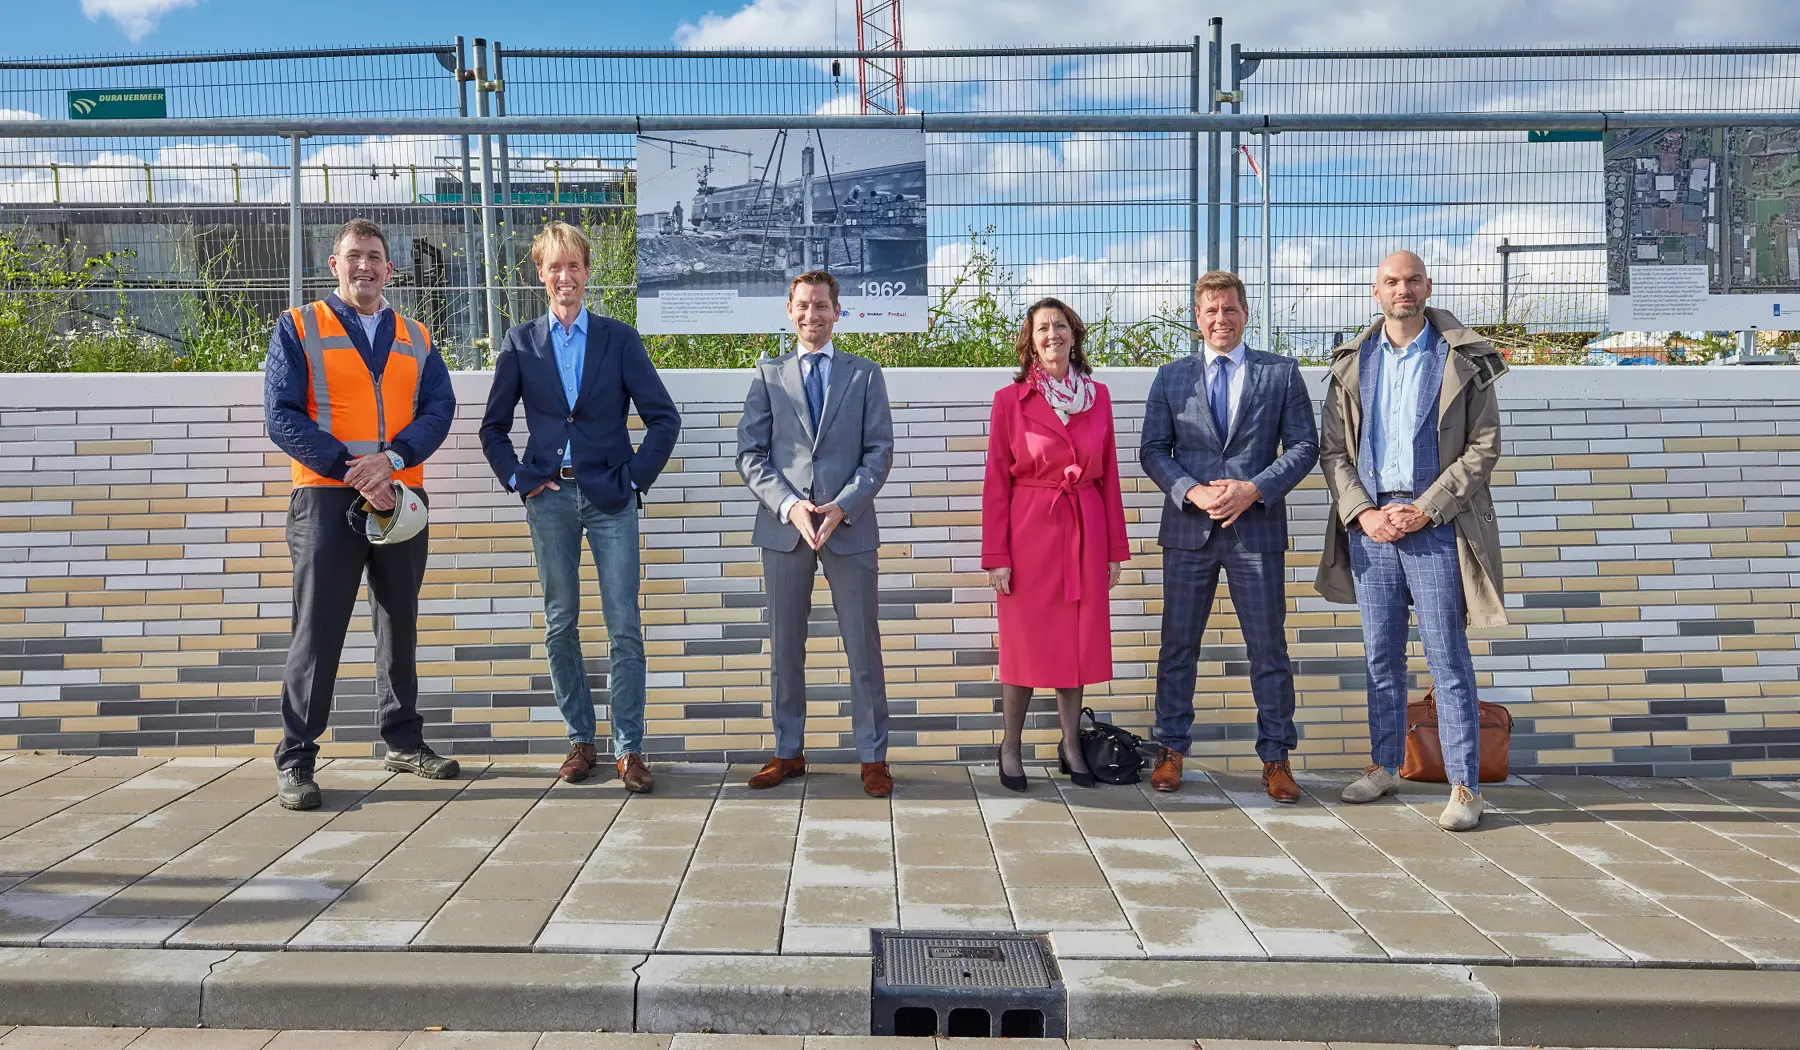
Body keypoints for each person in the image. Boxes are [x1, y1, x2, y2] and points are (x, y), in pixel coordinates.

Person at [264, 217, 459, 811]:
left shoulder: (417, 336)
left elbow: (439, 409)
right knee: (318, 629)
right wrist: (355, 470)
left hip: (401, 497)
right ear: (335, 264)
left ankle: (403, 742)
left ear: (389, 270)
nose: (364, 266)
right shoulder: (299, 326)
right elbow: (281, 415)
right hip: (326, 498)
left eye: (374, 257)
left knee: (399, 623)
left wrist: (392, 461)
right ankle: (297, 758)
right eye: (354, 256)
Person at [479, 221, 681, 791]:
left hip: (610, 497)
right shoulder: (521, 343)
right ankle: (580, 741)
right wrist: (519, 479)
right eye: (554, 267)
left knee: (624, 625)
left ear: (587, 272)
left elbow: (663, 419)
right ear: (540, 274)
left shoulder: (619, 339)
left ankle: (630, 749)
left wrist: (634, 478)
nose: (564, 277)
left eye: (574, 266)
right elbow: (492, 428)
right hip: (549, 500)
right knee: (560, 623)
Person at [1316, 250, 1509, 832]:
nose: (1403, 289)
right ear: (1375, 291)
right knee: (1381, 656)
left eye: (1412, 280)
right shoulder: (1353, 363)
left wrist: (1427, 508)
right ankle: (1384, 767)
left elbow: (1484, 446)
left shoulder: (1463, 359)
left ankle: (1464, 785)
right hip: (1372, 530)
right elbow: (1334, 452)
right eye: (1392, 281)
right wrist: (1363, 513)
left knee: (1447, 656)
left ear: (1428, 287)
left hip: (1437, 527)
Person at [1138, 271, 1319, 800]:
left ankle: (1276, 758)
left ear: (1245, 313)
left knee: (1268, 649)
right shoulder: (1170, 378)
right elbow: (1152, 450)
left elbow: (1304, 446)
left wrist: (1254, 489)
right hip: (1188, 531)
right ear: (1198, 318)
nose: (1222, 319)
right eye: (1212, 310)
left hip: (1255, 531)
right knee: (1178, 646)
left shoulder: (1280, 373)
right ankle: (1170, 749)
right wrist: (1192, 492)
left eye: (1230, 309)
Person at [736, 270, 896, 797]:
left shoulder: (865, 374)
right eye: (803, 305)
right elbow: (750, 455)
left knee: (863, 646)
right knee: (786, 646)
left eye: (822, 305)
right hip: (786, 529)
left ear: (837, 311)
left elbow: (879, 452)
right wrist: (790, 506)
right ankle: (788, 751)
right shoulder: (767, 375)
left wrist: (842, 505)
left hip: (848, 526)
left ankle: (873, 757)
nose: (812, 314)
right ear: (790, 311)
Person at [981, 298, 1129, 790]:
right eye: (1042, 328)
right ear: (1031, 340)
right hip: (1029, 535)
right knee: (1023, 646)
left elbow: (1109, 478)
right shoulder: (1010, 400)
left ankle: (1070, 745)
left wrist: (1114, 550)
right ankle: (1010, 746)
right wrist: (996, 556)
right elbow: (996, 483)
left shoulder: (1098, 397)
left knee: (1076, 646)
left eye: (1060, 325)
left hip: (1085, 532)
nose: (1052, 335)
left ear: (1074, 334)